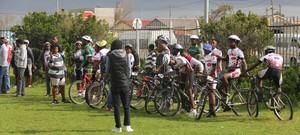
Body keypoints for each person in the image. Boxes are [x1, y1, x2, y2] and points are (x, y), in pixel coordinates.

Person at [106, 39, 133, 133]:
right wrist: (126, 78)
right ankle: (128, 126)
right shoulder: (126, 55)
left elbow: (107, 69)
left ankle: (118, 127)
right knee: (126, 105)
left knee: (116, 106)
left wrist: (106, 78)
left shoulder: (110, 56)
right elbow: (129, 69)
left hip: (115, 83)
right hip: (125, 83)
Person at [214, 35, 247, 111]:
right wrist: (219, 57)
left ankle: (227, 93)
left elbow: (244, 62)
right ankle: (227, 104)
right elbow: (226, 59)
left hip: (236, 71)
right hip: (230, 70)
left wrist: (245, 72)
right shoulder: (229, 51)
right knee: (219, 89)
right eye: (229, 42)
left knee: (224, 77)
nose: (230, 43)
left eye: (231, 42)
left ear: (235, 42)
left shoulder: (239, 52)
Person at [202, 44, 218, 117]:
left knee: (211, 93)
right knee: (209, 93)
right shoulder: (205, 57)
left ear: (208, 50)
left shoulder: (213, 56)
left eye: (205, 49)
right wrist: (205, 74)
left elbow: (214, 67)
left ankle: (213, 111)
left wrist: (210, 76)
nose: (204, 50)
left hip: (213, 76)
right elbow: (205, 67)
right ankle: (210, 110)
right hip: (208, 76)